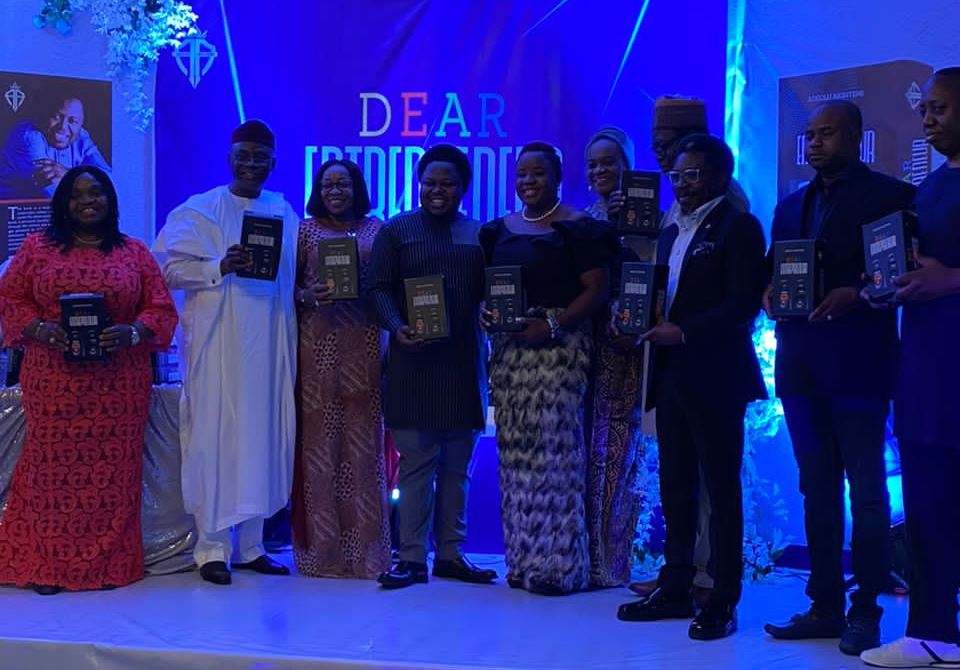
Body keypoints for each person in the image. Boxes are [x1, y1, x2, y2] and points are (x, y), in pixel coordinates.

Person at [762, 102, 915, 656]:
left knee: (867, 493)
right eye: (810, 135)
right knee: (816, 488)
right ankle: (824, 604)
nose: (815, 143)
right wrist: (768, 294)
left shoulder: (889, 197)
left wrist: (858, 294)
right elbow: (772, 270)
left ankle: (867, 609)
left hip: (858, 366)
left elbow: (897, 277)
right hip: (800, 367)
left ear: (855, 136)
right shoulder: (789, 206)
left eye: (827, 134)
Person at [616, 135, 767, 640]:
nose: (682, 185)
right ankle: (676, 585)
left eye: (694, 175)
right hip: (670, 371)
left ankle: (722, 599)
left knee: (721, 490)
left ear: (720, 176)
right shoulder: (668, 229)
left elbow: (743, 304)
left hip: (717, 375)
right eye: (677, 176)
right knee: (674, 484)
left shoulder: (738, 227)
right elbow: (661, 296)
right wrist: (635, 315)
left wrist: (683, 331)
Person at [0, 166, 177, 594]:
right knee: (49, 472)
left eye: (96, 193)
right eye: (77, 195)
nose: (87, 201)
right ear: (63, 203)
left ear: (110, 201)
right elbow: (8, 297)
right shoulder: (37, 249)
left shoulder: (134, 252)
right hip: (54, 380)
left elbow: (161, 307)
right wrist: (40, 329)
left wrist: (133, 331)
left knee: (113, 474)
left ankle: (106, 565)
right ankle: (46, 565)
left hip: (117, 384)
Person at [152, 120, 298, 586]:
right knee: (215, 440)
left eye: (261, 158)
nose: (252, 165)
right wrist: (220, 265)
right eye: (244, 156)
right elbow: (169, 270)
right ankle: (211, 548)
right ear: (230, 158)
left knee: (261, 439)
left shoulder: (283, 212)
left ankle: (252, 546)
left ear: (274, 163)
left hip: (270, 344)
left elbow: (295, 277)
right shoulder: (199, 211)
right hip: (217, 349)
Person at [480, 141, 618, 595]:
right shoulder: (497, 230)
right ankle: (521, 561)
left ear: (558, 177)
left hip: (559, 349)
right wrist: (488, 314)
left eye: (537, 173)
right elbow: (493, 287)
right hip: (511, 354)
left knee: (555, 458)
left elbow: (596, 291)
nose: (528, 182)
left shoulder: (582, 229)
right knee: (515, 458)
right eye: (521, 174)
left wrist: (554, 324)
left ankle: (560, 568)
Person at [861, 68, 960, 669]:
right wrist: (892, 283)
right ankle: (933, 632)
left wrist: (950, 279)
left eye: (941, 109)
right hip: (926, 365)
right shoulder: (927, 186)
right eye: (925, 109)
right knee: (927, 501)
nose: (927, 119)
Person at [368, 144, 495, 589]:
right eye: (430, 182)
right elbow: (377, 288)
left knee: (458, 467)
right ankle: (411, 558)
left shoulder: (479, 235)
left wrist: (490, 313)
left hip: (463, 365)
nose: (438, 190)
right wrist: (397, 326)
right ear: (418, 184)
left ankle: (452, 555)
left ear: (463, 188)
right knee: (416, 464)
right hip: (413, 363)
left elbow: (490, 295)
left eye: (448, 183)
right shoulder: (397, 230)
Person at [290, 158, 391, 579]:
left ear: (357, 188)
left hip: (364, 347)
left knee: (364, 451)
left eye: (343, 183)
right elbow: (287, 288)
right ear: (318, 189)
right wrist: (308, 294)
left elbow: (389, 284)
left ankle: (367, 556)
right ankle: (322, 555)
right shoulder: (304, 231)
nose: (336, 190)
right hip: (317, 349)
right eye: (328, 183)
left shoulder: (377, 230)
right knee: (319, 451)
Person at [582, 127, 650, 587]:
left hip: (629, 355)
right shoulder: (581, 221)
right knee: (585, 458)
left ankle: (612, 563)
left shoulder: (654, 221)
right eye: (594, 164)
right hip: (584, 357)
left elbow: (655, 280)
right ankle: (580, 558)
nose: (601, 171)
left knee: (619, 461)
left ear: (628, 165)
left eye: (610, 162)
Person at [0, 96, 111, 199]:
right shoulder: (28, 136)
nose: (63, 126)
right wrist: (87, 179)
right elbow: (52, 193)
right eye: (57, 116)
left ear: (81, 124)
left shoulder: (81, 136)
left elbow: (112, 179)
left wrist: (69, 174)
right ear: (45, 114)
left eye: (72, 121)